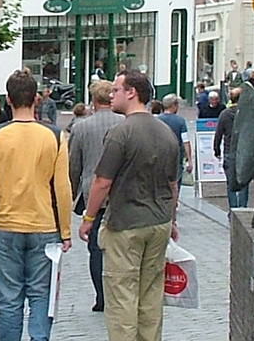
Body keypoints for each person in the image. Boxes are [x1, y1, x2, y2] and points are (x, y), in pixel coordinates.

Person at [0, 72, 74, 341]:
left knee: (9, 298)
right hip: (44, 226)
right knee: (41, 296)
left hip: (6, 225)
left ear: (9, 100)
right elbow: (63, 189)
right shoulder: (54, 135)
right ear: (36, 99)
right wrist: (65, 231)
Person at [80, 72, 182, 341]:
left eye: (116, 90)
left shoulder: (120, 133)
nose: (111, 95)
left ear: (132, 93)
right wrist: (172, 220)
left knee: (122, 294)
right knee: (150, 294)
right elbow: (173, 184)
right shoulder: (166, 132)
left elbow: (102, 181)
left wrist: (89, 217)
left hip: (125, 223)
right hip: (158, 222)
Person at [66, 79, 124, 312]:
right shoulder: (124, 122)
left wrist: (72, 191)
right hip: (120, 192)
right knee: (119, 245)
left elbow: (74, 165)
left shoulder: (81, 127)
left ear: (93, 100)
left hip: (92, 193)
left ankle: (101, 296)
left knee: (95, 248)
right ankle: (118, 292)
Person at [214, 88, 247, 209]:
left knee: (231, 182)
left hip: (229, 151)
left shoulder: (225, 114)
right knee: (244, 182)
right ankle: (243, 208)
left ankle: (233, 210)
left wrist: (216, 150)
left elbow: (218, 133)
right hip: (244, 152)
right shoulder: (246, 113)